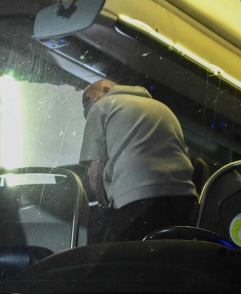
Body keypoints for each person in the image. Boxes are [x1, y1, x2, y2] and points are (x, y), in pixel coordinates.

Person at [79, 79, 198, 242]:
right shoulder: (162, 108)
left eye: (87, 99)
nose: (85, 108)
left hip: (137, 198)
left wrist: (103, 204)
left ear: (106, 89)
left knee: (128, 260)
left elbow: (96, 170)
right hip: (183, 197)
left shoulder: (102, 106)